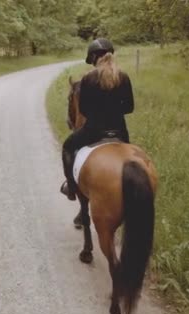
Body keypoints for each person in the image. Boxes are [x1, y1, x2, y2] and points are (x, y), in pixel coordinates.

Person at [60, 38, 134, 201]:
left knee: (67, 147)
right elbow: (129, 107)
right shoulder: (124, 77)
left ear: (93, 58)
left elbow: (84, 110)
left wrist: (98, 112)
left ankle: (71, 187)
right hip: (120, 131)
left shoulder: (88, 78)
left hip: (93, 131)